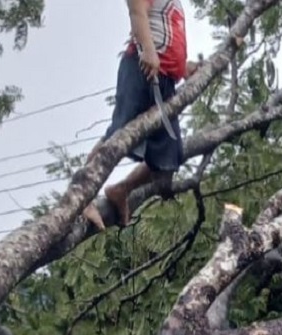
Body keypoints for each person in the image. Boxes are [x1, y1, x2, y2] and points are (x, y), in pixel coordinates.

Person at [84, 0, 198, 231]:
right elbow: (136, 10)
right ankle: (83, 197)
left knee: (169, 157)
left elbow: (163, 32)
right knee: (119, 134)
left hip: (165, 80)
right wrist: (147, 49)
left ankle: (121, 189)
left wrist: (184, 68)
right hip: (141, 68)